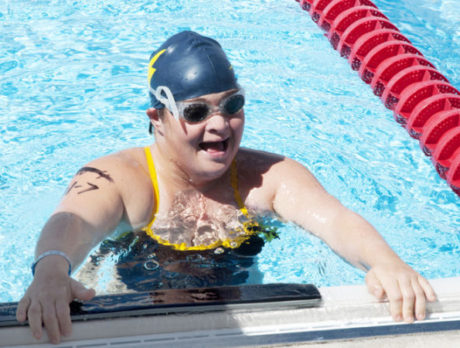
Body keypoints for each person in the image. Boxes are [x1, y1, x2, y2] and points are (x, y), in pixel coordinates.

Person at [16, 31, 436, 344]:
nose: (220, 124)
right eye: (197, 111)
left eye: (232, 105)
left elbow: (336, 220)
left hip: (240, 311)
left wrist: (385, 262)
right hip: (135, 315)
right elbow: (73, 219)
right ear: (157, 118)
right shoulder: (125, 177)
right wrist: (51, 270)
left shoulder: (267, 176)